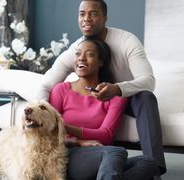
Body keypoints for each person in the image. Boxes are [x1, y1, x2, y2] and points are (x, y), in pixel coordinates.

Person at [38, 0, 167, 178]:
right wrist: (46, 116)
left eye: (93, 14)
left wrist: (118, 89)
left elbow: (148, 81)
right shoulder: (77, 50)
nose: (86, 19)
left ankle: (155, 170)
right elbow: (45, 85)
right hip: (86, 134)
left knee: (146, 98)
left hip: (125, 94)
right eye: (82, 14)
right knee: (115, 155)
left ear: (105, 18)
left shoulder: (126, 41)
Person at [49, 37, 158, 180]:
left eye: (89, 54)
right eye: (78, 54)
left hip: (102, 157)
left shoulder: (115, 96)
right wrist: (79, 142)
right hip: (68, 153)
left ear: (101, 62)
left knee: (149, 163)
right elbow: (49, 131)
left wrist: (65, 127)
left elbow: (105, 135)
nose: (81, 58)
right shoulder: (61, 90)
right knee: (116, 152)